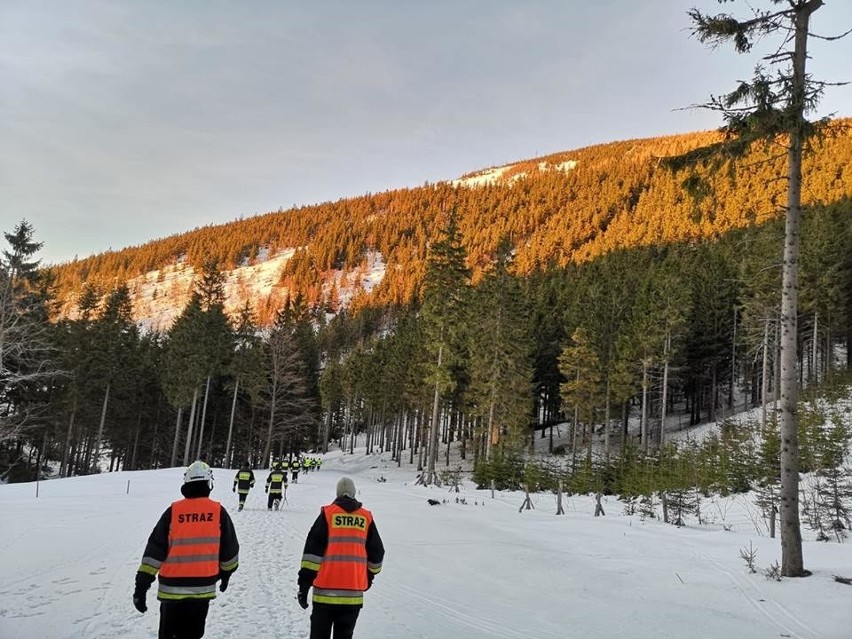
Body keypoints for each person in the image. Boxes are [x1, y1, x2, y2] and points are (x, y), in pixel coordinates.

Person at [133, 460, 239, 639]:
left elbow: (153, 552)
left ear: (186, 484)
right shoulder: (218, 512)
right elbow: (230, 551)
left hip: (171, 591)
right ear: (208, 483)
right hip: (201, 590)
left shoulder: (173, 512)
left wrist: (141, 586)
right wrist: (226, 574)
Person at [297, 476, 385, 639]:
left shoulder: (328, 514)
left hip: (324, 593)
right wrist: (369, 576)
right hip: (353, 596)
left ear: (337, 494)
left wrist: (304, 585)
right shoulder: (366, 518)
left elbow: (312, 554)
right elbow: (377, 554)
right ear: (354, 494)